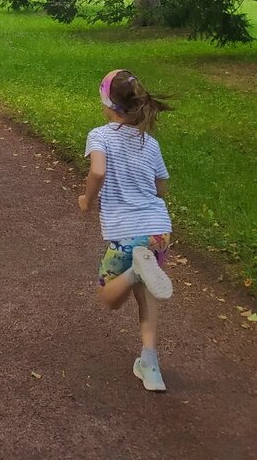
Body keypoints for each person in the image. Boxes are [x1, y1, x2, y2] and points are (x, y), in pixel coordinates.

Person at [78, 68, 173, 392]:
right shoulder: (151, 143)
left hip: (127, 233)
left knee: (108, 296)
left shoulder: (100, 135)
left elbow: (99, 171)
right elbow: (162, 188)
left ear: (108, 106)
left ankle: (134, 272)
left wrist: (87, 199)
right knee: (146, 297)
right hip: (159, 230)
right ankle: (150, 365)